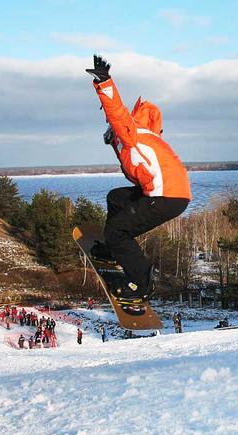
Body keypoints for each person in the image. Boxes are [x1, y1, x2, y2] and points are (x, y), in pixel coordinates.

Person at [86, 55, 191, 301]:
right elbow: (136, 170)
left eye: (112, 131)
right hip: (168, 193)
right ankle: (114, 250)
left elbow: (117, 115)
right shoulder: (145, 138)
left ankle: (142, 283)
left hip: (165, 196)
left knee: (117, 231)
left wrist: (104, 83)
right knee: (117, 197)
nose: (110, 134)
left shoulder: (133, 134)